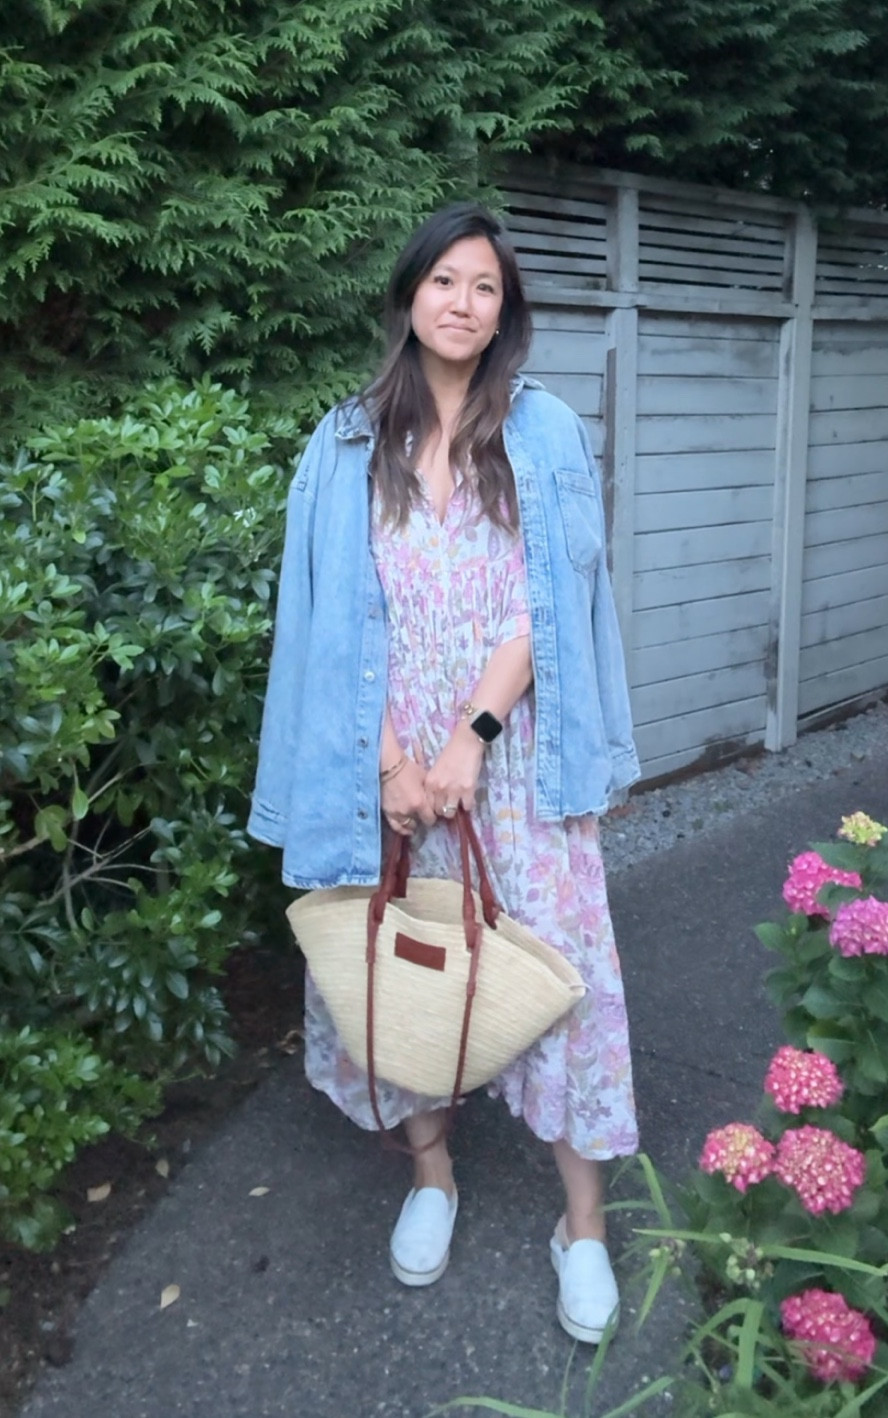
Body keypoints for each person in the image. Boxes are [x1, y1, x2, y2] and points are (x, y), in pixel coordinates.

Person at [249, 202, 641, 1344]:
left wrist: (470, 737)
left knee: (566, 977)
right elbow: (326, 619)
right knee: (400, 964)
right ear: (409, 294)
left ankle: (581, 1227)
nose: (462, 303)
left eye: (485, 287)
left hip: (515, 754)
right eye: (444, 281)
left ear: (504, 311)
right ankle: (432, 1176)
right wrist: (389, 763)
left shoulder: (544, 431)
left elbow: (551, 602)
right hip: (380, 757)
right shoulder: (344, 442)